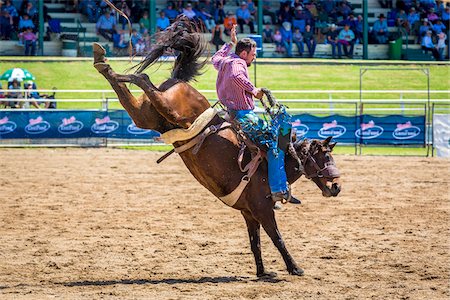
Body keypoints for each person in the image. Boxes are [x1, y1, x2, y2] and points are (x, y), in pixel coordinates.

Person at [211, 24, 300, 205]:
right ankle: (278, 190)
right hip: (244, 115)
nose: (255, 57)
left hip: (232, 111)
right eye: (253, 54)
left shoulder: (226, 61)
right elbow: (237, 77)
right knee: (276, 146)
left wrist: (231, 43)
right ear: (244, 54)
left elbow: (215, 58)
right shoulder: (238, 63)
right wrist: (254, 90)